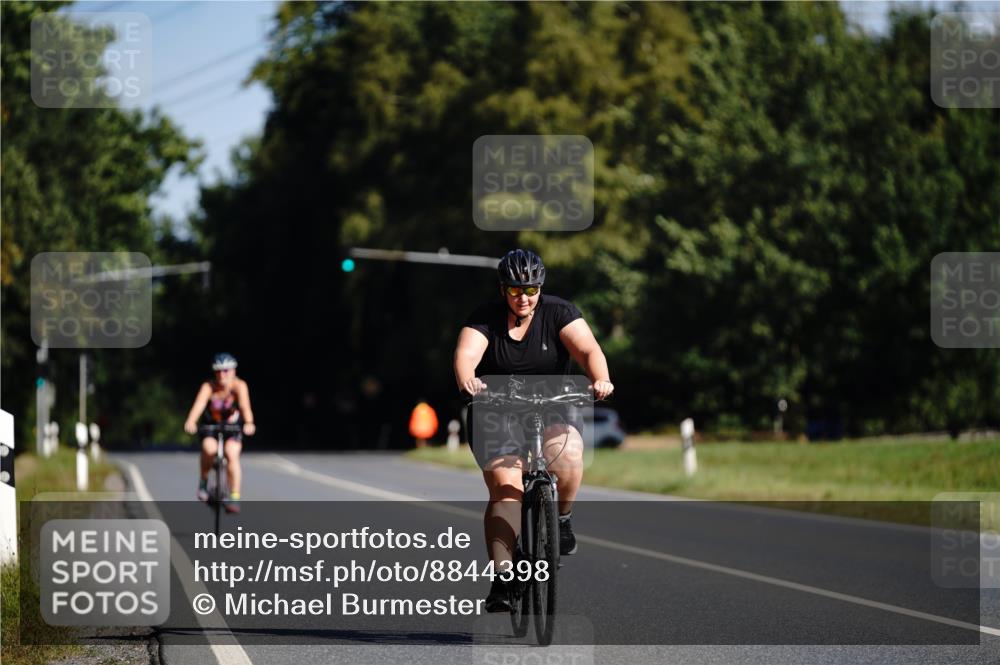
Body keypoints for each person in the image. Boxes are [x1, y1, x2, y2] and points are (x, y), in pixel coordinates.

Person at [453, 249, 614, 612]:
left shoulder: (560, 312)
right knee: (506, 489)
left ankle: (562, 518)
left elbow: (588, 349)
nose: (523, 298)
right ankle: (503, 578)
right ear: (502, 289)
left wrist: (600, 378)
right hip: (496, 408)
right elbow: (466, 355)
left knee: (570, 455)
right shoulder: (485, 317)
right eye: (514, 290)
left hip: (552, 400)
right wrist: (468, 381)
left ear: (540, 288)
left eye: (530, 290)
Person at [184, 353, 256, 513]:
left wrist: (249, 423)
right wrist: (191, 420)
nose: (223, 374)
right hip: (211, 426)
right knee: (209, 449)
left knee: (232, 454)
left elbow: (245, 406)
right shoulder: (208, 386)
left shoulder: (239, 385)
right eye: (219, 371)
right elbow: (199, 404)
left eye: (227, 370)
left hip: (232, 428)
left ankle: (235, 496)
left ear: (234, 371)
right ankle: (203, 482)